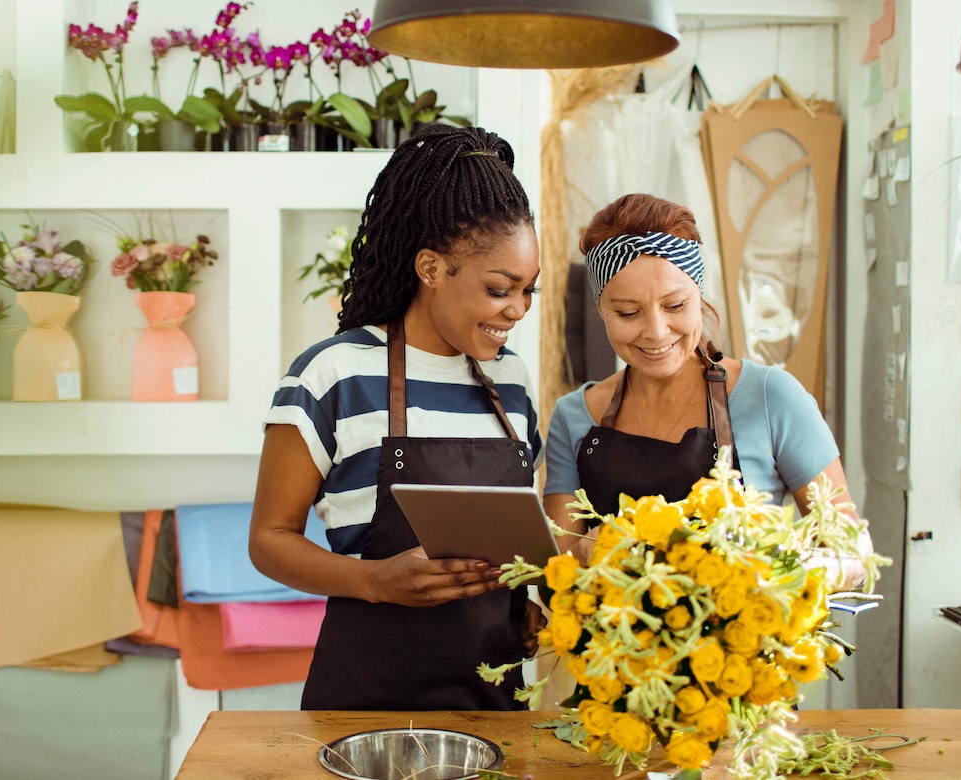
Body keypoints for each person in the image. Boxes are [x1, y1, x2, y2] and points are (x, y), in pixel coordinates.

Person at [249, 125, 544, 711]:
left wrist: (522, 603)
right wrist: (373, 581)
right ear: (431, 269)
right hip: (363, 708)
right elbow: (268, 541)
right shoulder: (333, 373)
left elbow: (508, 536)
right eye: (499, 289)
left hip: (496, 712)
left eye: (528, 291)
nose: (517, 310)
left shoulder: (511, 380)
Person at [544, 193, 873, 587]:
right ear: (601, 311)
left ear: (699, 296)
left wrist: (779, 574)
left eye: (676, 305)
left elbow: (853, 552)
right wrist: (584, 552)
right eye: (628, 312)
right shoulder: (574, 416)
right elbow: (557, 577)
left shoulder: (771, 397)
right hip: (610, 648)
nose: (655, 331)